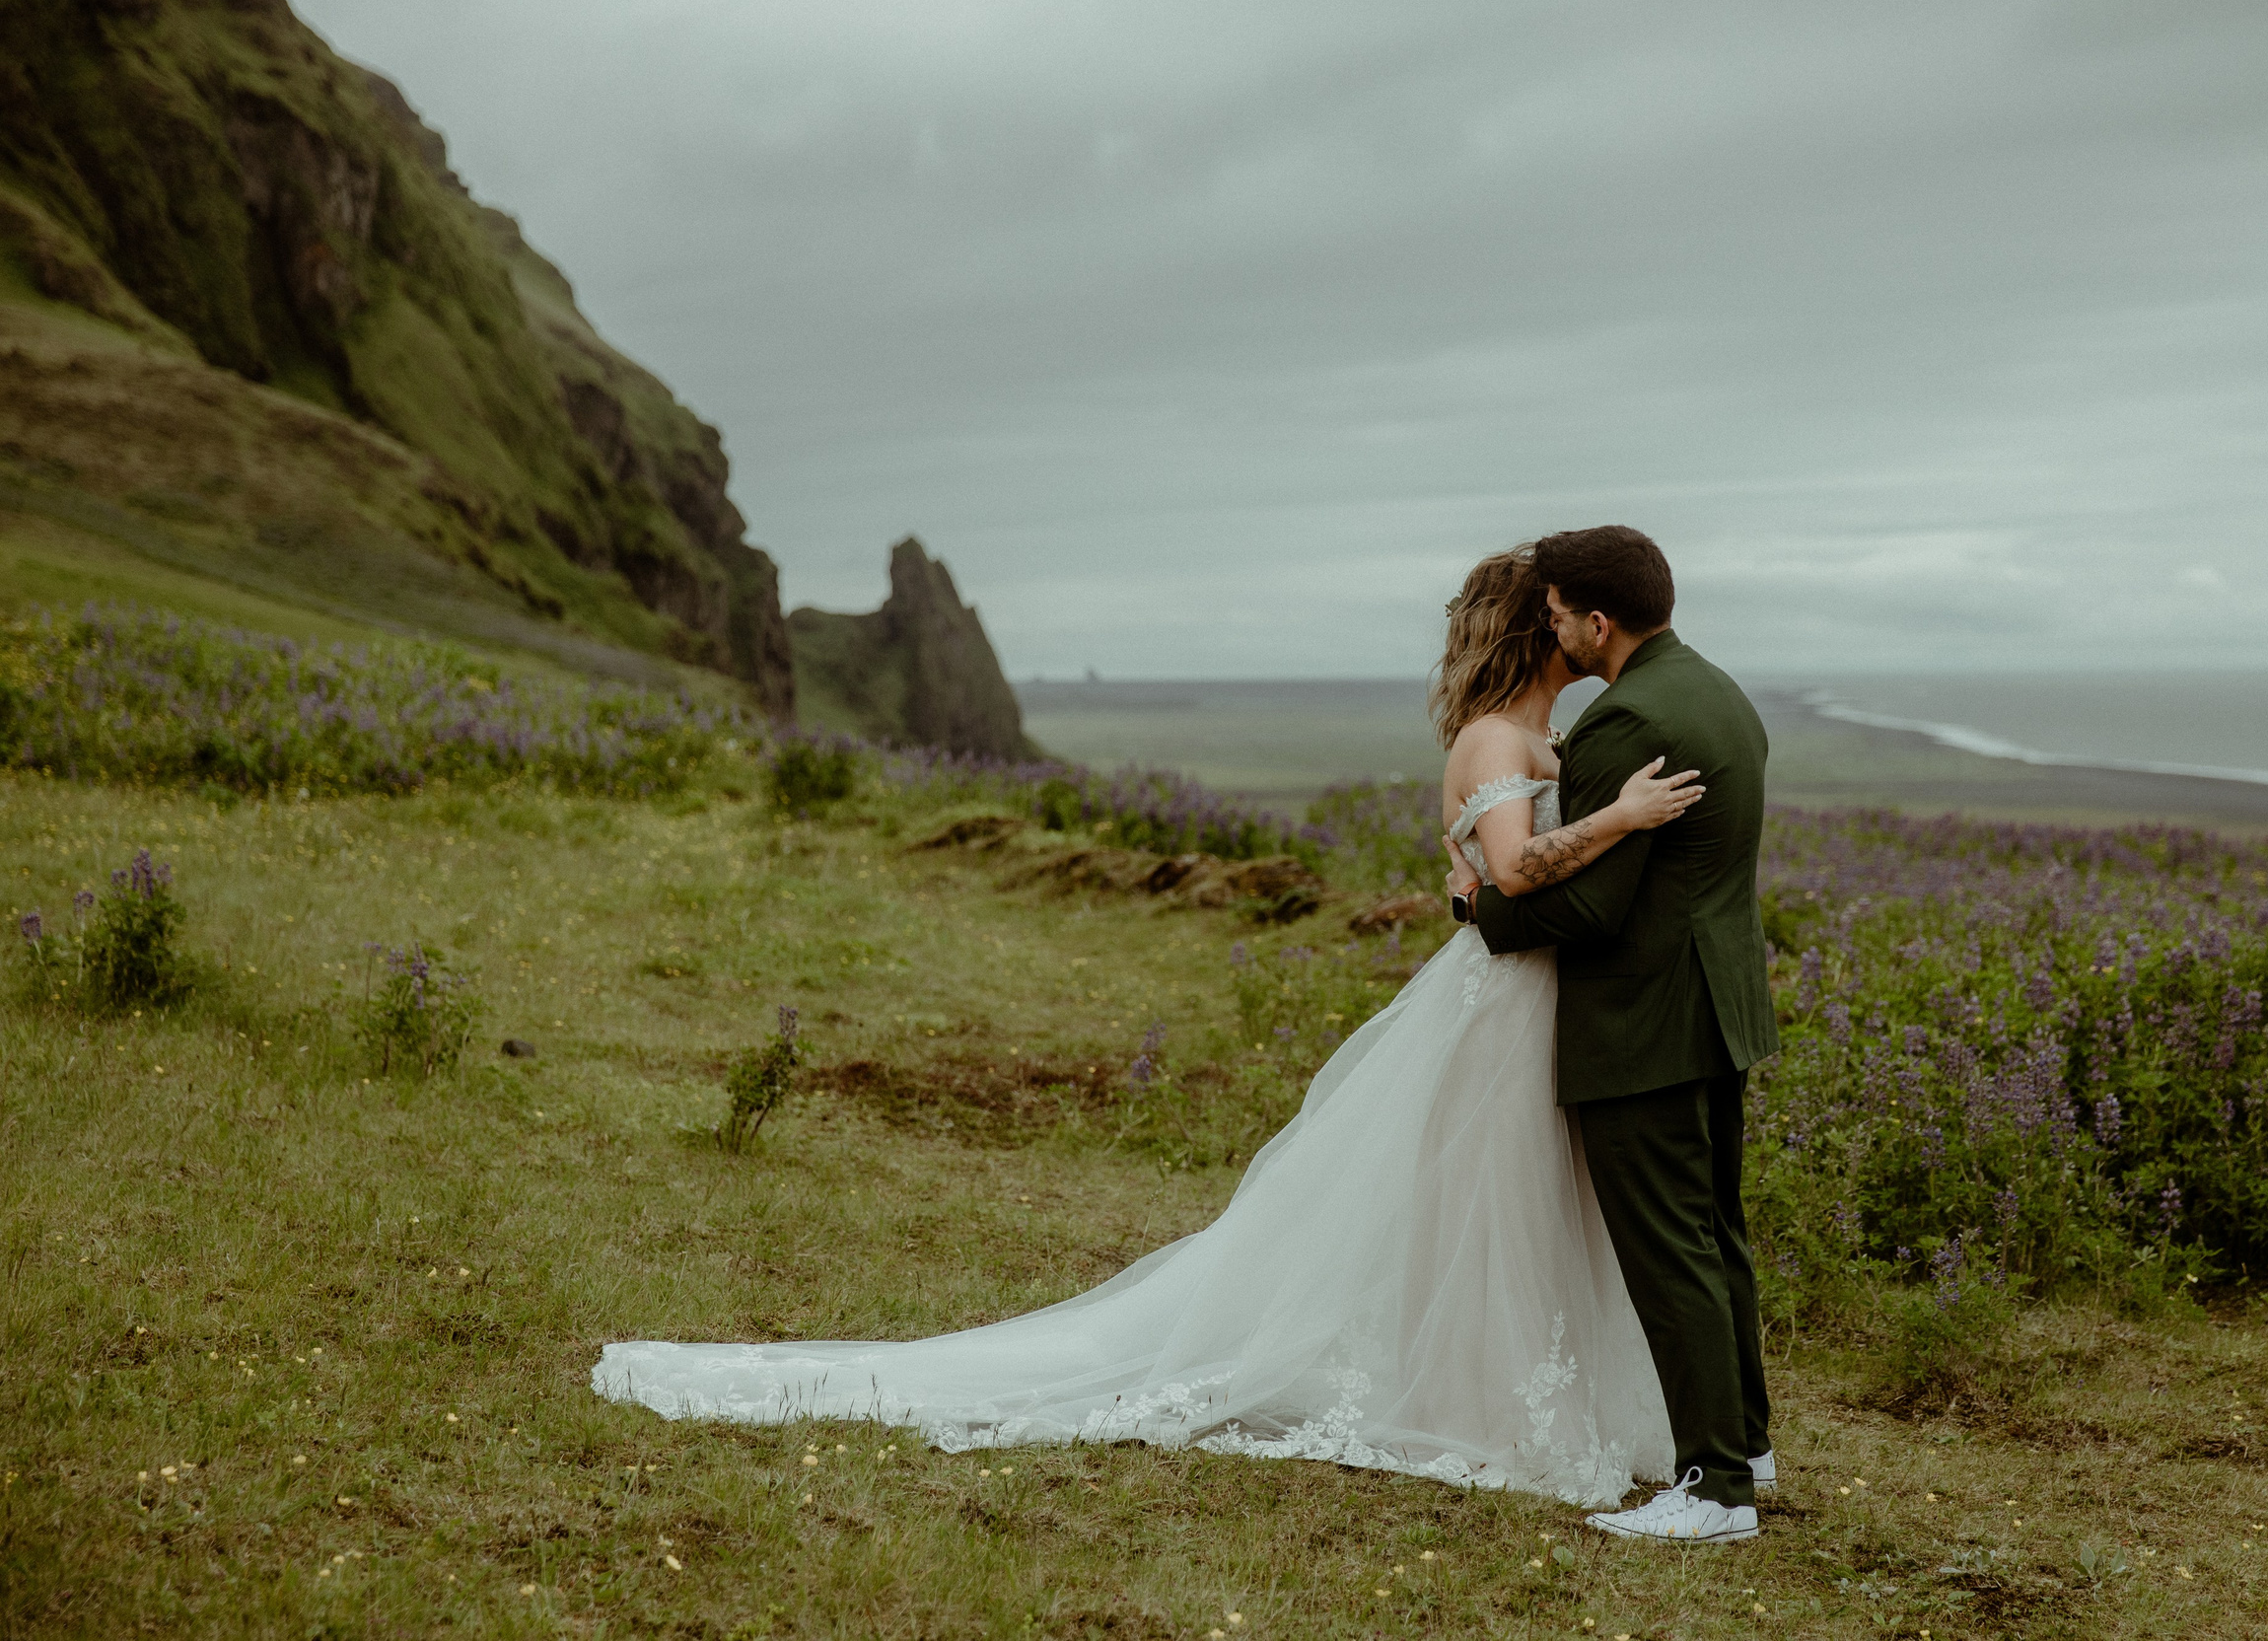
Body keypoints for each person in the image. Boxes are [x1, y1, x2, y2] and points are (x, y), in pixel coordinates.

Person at [591, 545, 1704, 1509]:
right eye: (1560, 611)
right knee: (1485, 1202)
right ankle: (1482, 1412)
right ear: (1542, 626)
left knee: (1514, 1208)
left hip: (1526, 995)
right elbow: (1507, 870)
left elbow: (1467, 882)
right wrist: (1618, 817)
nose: (1574, 625)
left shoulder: (1527, 737)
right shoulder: (1499, 745)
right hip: (1498, 1012)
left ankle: (1505, 1398)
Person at [1447, 523, 1780, 1544]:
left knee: (1669, 1250)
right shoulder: (1717, 693)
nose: (1552, 630)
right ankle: (1746, 1449)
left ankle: (1716, 1492)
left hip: (1642, 1019)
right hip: (1714, 1008)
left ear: (1597, 621)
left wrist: (1480, 915)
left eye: (1558, 615)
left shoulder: (1622, 725)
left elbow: (1590, 911)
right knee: (1714, 1237)